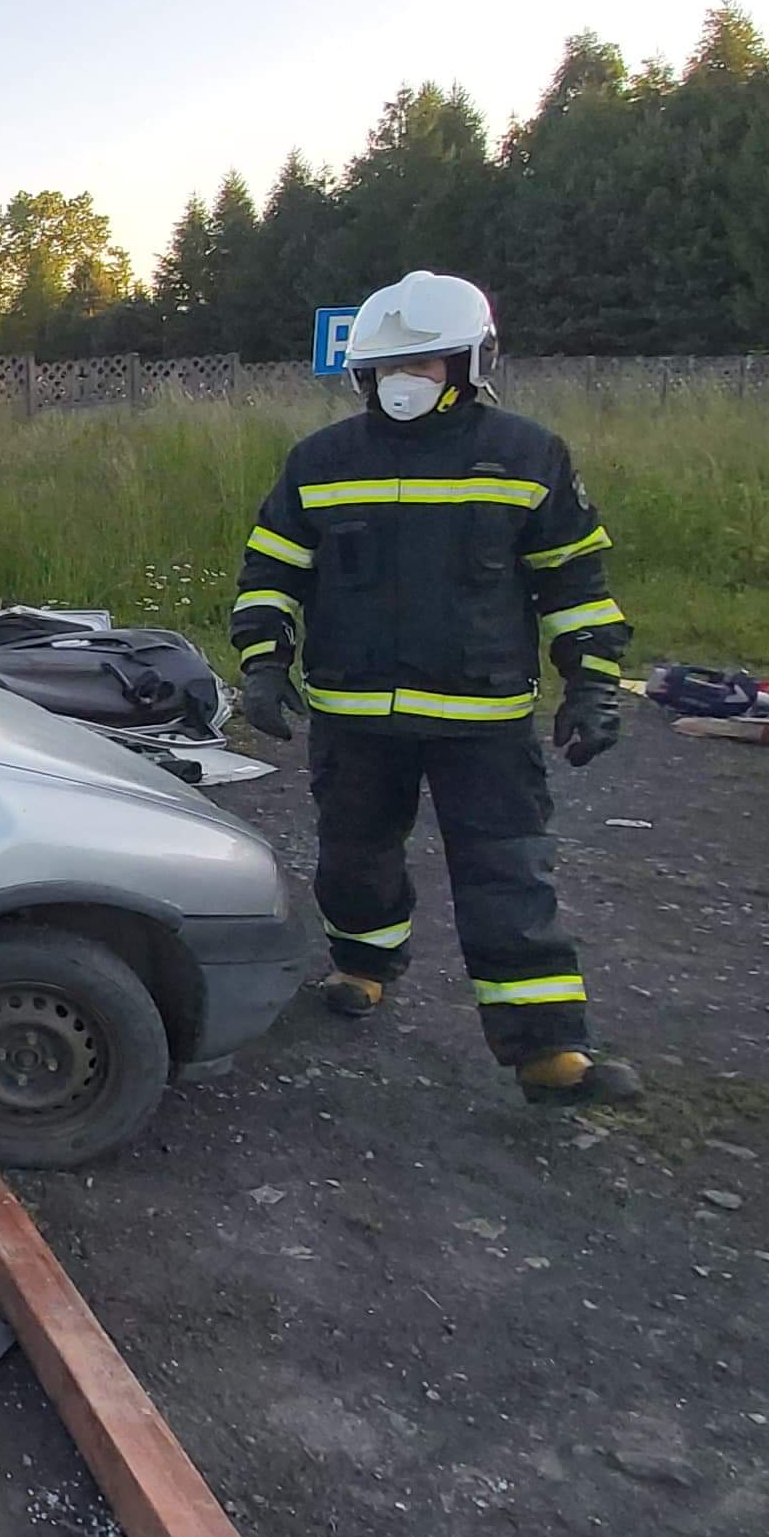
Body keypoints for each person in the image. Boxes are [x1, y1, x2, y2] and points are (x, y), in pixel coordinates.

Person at [228, 270, 641, 1112]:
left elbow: (574, 583)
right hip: (353, 716)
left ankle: (547, 1048)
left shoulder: (527, 455)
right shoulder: (321, 461)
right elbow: (271, 572)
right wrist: (264, 663)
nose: (403, 382)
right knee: (355, 856)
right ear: (362, 374)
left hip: (482, 721)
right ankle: (362, 966)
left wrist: (593, 684)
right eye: (388, 367)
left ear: (471, 363)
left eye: (423, 364)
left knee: (508, 873)